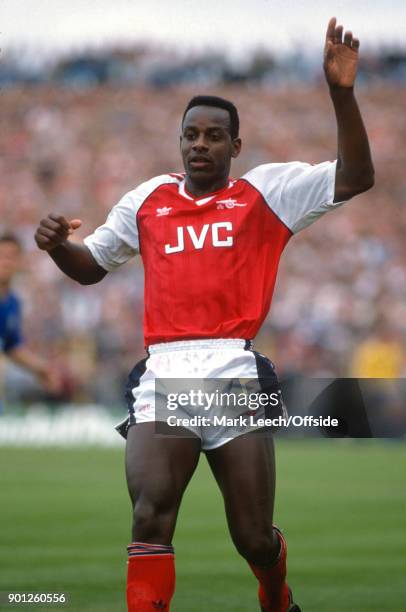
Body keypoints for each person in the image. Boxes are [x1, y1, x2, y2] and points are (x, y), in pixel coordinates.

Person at [34, 18, 374, 612]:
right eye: (191, 134)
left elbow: (356, 177)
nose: (199, 144)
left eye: (214, 136)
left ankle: (276, 592)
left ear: (235, 147)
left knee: (252, 537)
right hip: (165, 371)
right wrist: (57, 244)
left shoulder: (266, 193)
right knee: (149, 515)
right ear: (179, 139)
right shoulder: (147, 200)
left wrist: (341, 95)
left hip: (232, 369)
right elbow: (90, 267)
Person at [0, 233, 61, 407]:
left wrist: (42, 370)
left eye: (11, 257)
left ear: (20, 262)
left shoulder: (12, 303)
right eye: (1, 256)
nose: (5, 262)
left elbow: (11, 346)